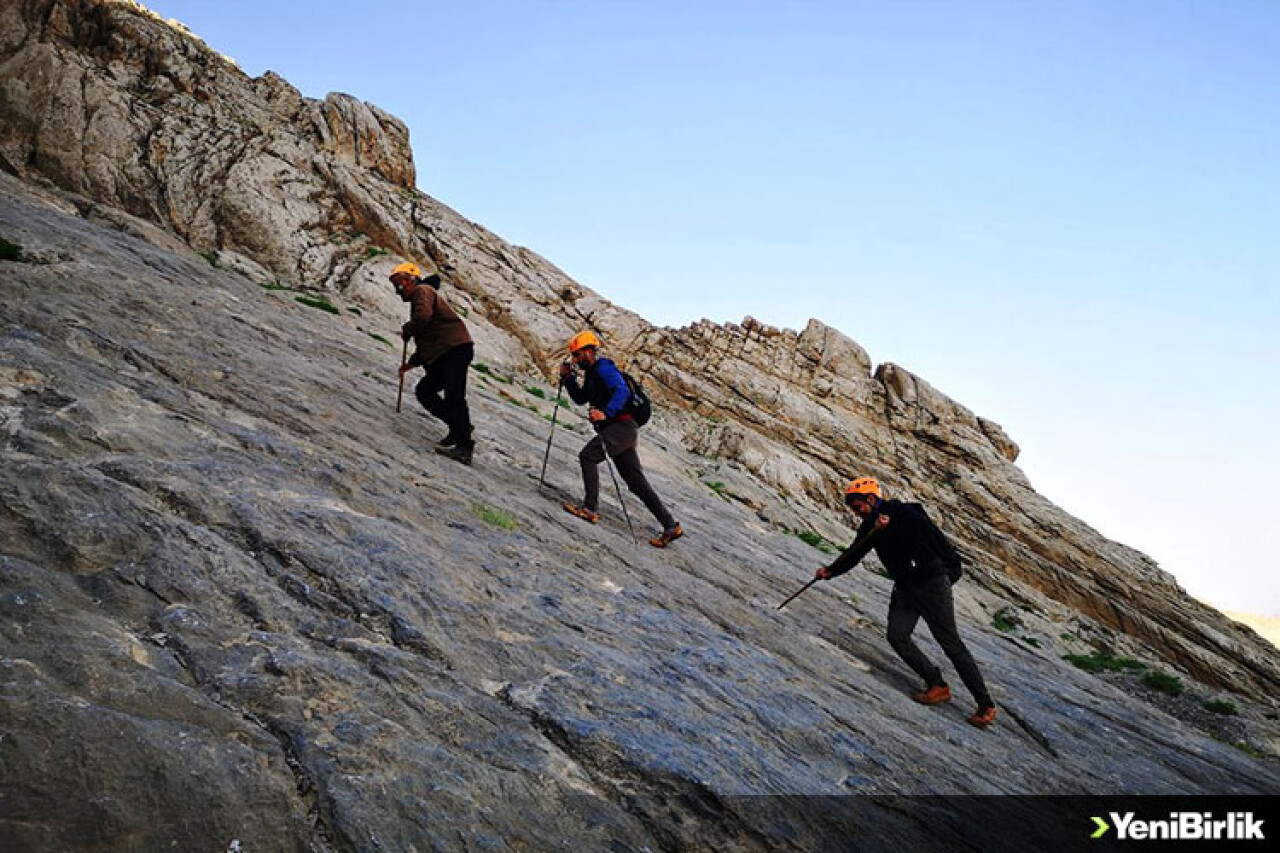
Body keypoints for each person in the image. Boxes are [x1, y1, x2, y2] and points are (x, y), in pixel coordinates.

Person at [815, 477, 998, 728]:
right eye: (853, 508)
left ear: (871, 498)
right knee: (897, 634)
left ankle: (985, 704)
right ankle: (937, 683)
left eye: (858, 506)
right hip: (905, 587)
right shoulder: (871, 525)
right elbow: (855, 552)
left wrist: (948, 575)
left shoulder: (905, 512)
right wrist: (830, 571)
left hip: (931, 582)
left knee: (950, 642)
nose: (856, 512)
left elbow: (935, 539)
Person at [558, 331, 683, 547]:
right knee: (635, 482)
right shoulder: (592, 375)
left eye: (577, 355)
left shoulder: (604, 368)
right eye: (574, 356)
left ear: (589, 351)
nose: (575, 360)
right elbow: (580, 399)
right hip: (620, 430)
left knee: (588, 456)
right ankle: (671, 526)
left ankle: (589, 509)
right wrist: (568, 379)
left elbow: (622, 391)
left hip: (621, 427)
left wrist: (606, 413)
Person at [391, 261, 476, 465]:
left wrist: (408, 329)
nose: (397, 289)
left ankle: (464, 447)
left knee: (454, 396)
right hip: (445, 352)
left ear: (411, 279)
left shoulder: (423, 291)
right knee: (425, 391)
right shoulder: (421, 296)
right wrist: (411, 363)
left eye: (399, 283)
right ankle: (458, 428)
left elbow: (424, 318)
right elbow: (428, 338)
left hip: (453, 350)